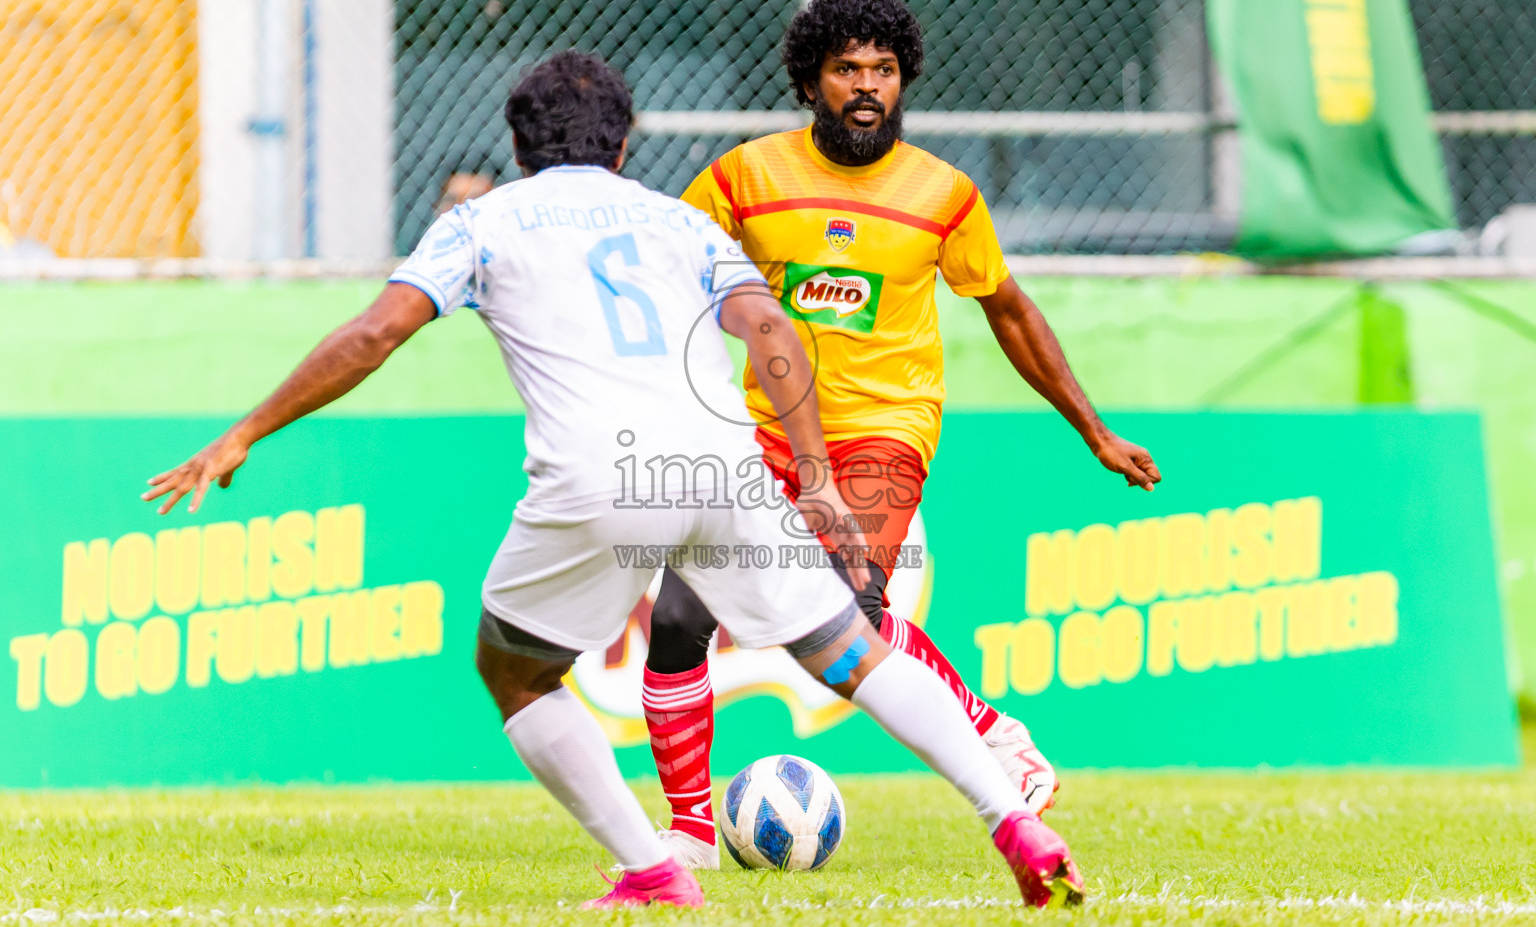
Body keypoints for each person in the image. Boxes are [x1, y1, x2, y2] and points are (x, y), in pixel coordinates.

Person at [141, 51, 1084, 910]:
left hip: (599, 473)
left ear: (516, 147)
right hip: (720, 465)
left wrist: (245, 433)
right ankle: (1011, 817)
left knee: (514, 670)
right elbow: (773, 333)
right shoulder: (677, 220)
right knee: (847, 650)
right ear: (626, 143)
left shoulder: (478, 221)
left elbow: (375, 334)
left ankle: (655, 869)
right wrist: (818, 479)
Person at [642, 0, 1163, 870]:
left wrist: (1095, 431)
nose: (867, 86)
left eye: (883, 70)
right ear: (811, 81)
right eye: (847, 68)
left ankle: (995, 737)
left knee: (851, 608)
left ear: (904, 80)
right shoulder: (744, 178)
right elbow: (669, 277)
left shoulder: (943, 195)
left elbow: (1010, 309)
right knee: (679, 618)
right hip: (766, 436)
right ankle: (690, 832)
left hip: (887, 429)